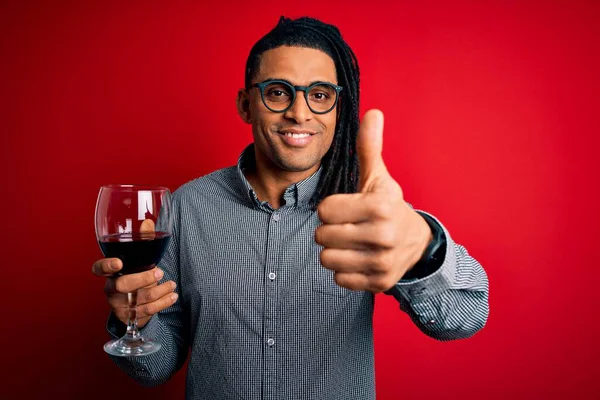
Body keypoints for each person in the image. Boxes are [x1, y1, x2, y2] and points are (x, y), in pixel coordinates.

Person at [92, 16, 489, 400]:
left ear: (337, 111)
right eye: (278, 92)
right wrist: (135, 318)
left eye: (319, 95)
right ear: (247, 105)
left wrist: (423, 247)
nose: (299, 113)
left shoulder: (367, 210)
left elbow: (463, 317)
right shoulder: (185, 207)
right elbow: (155, 369)